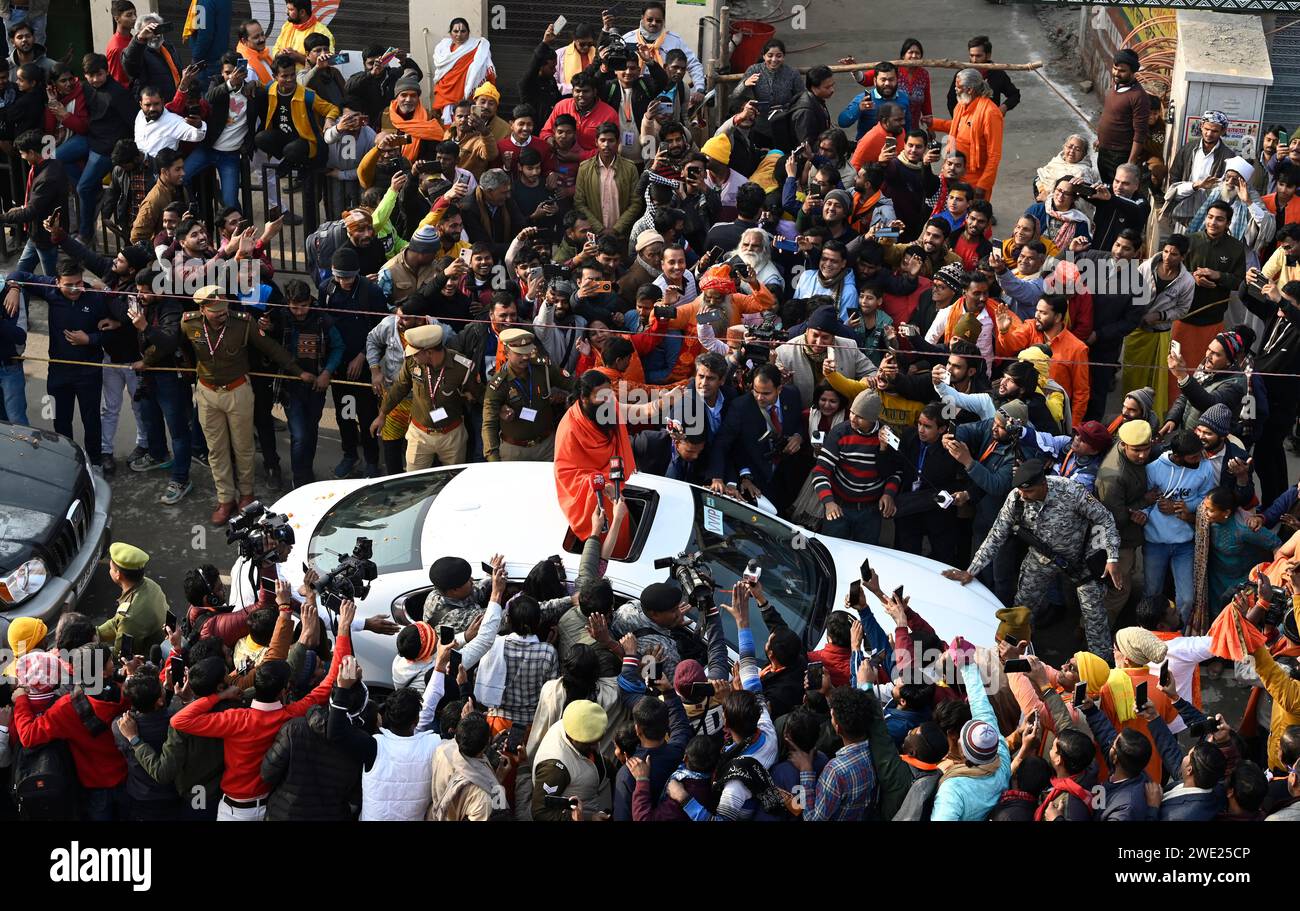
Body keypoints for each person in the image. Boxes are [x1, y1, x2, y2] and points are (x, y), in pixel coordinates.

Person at [170, 595, 352, 821]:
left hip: (234, 812)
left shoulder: (236, 719)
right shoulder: (289, 715)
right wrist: (343, 629)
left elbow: (180, 721)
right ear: (284, 691)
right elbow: (330, 682)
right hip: (271, 808)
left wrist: (218, 697)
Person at [946, 459, 1122, 656]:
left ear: (1043, 485)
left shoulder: (1070, 491)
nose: (1023, 495)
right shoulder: (1016, 499)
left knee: (1095, 616)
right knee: (1021, 611)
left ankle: (1102, 666)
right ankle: (1016, 658)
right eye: (1020, 490)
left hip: (1080, 560)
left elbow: (1105, 518)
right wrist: (972, 570)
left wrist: (1112, 558)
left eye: (1028, 491)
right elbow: (996, 535)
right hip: (1041, 559)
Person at [178, 286, 310, 526]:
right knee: (216, 450)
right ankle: (225, 498)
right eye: (215, 311)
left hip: (238, 390)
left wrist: (298, 371)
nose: (222, 314)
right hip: (207, 393)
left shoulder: (242, 323)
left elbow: (271, 347)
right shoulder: (189, 323)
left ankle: (246, 494)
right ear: (202, 309)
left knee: (243, 446)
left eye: (224, 308)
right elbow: (182, 348)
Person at [11, 643, 128, 820]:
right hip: (128, 775)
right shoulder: (124, 692)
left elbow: (28, 736)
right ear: (104, 672)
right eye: (111, 660)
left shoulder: (66, 707)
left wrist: (21, 700)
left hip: (95, 784)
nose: (114, 663)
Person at [370, 322, 479, 470]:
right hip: (419, 434)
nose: (411, 356)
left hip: (452, 436)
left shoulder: (463, 367)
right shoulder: (411, 363)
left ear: (429, 352)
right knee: (413, 480)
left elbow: (477, 393)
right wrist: (382, 414)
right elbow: (399, 388)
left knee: (453, 479)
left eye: (415, 353)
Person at [709, 362, 805, 514]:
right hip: (756, 479)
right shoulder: (740, 407)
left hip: (788, 475)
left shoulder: (792, 395)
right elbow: (722, 443)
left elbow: (799, 422)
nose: (759, 397)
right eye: (756, 391)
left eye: (766, 393)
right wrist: (717, 477)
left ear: (779, 389)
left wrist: (798, 437)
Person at [1143, 430, 1218, 626]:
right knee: (1152, 593)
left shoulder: (1206, 468)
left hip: (1185, 544)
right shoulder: (1153, 469)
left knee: (1186, 599)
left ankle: (1181, 635)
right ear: (1177, 457)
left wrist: (1185, 507)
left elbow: (1207, 500)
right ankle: (1150, 636)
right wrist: (1151, 503)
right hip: (1155, 542)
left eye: (1200, 453)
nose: (1199, 459)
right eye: (1193, 457)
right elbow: (1145, 500)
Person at [812, 390, 898, 545]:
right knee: (830, 550)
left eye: (860, 416)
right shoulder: (839, 432)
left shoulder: (888, 436)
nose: (853, 419)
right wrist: (829, 503)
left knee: (866, 555)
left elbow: (895, 472)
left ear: (873, 418)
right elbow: (820, 471)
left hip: (871, 512)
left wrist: (888, 494)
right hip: (839, 507)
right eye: (852, 413)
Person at [1094, 419, 1156, 624]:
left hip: (1128, 537)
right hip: (1118, 541)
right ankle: (1096, 630)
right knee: (1119, 589)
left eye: (1146, 449)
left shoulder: (1133, 460)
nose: (1142, 455)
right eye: (1136, 450)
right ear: (1123, 445)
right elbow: (1114, 518)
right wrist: (1143, 503)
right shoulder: (1113, 475)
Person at [483, 328, 572, 462]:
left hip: (547, 446)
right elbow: (489, 423)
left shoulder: (543, 369)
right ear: (506, 353)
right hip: (514, 451)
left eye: (527, 352)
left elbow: (571, 384)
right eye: (519, 353)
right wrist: (493, 458)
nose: (525, 357)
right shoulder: (498, 384)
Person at [931, 68, 1003, 201]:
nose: (955, 90)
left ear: (969, 89)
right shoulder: (961, 106)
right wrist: (933, 123)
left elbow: (994, 155)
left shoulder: (990, 113)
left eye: (958, 87)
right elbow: (957, 127)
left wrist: (983, 185)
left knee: (973, 219)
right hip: (954, 173)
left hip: (975, 179)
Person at [1162, 111, 1233, 232]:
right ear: (1201, 126)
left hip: (1209, 218)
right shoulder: (1188, 149)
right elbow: (1174, 178)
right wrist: (1194, 186)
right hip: (1183, 213)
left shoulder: (1228, 156)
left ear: (1223, 131)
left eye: (1214, 131)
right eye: (1206, 129)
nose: (1209, 134)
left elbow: (1227, 190)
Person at [620, 2, 704, 101]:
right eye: (650, 19)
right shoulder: (628, 39)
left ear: (663, 21)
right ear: (642, 18)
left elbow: (693, 64)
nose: (654, 23)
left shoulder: (674, 41)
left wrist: (700, 89)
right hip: (633, 95)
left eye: (658, 21)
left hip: (667, 94)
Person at [97, 542, 167, 660]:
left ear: (118, 574)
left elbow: (121, 656)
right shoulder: (150, 584)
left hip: (146, 660)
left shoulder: (129, 616)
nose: (110, 570)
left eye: (111, 568)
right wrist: (96, 633)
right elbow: (116, 622)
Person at [575, 122, 643, 239]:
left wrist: (617, 229)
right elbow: (579, 203)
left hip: (622, 235)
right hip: (594, 235)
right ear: (596, 142)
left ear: (617, 142)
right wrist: (599, 229)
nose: (606, 144)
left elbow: (636, 203)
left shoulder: (630, 168)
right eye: (603, 140)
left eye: (611, 140)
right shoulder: (584, 168)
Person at [1095, 50, 1151, 184]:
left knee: (1116, 192)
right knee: (1105, 186)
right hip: (1104, 149)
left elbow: (1140, 133)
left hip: (1119, 155)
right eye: (1115, 68)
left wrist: (1130, 162)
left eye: (1122, 71)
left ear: (1132, 72)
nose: (1116, 73)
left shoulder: (1138, 97)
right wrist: (1100, 139)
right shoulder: (1116, 85)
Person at [431, 17, 496, 123]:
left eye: (463, 31)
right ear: (450, 33)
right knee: (445, 123)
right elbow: (440, 72)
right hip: (445, 91)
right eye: (455, 31)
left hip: (469, 92)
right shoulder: (442, 49)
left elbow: (487, 69)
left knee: (470, 123)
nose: (459, 34)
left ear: (468, 32)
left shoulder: (479, 46)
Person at [944, 36, 1020, 116]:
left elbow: (1015, 95)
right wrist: (957, 120)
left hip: (990, 121)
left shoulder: (998, 74)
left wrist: (1003, 108)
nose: (974, 60)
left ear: (988, 55)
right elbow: (951, 99)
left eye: (978, 56)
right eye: (971, 55)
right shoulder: (962, 74)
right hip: (966, 122)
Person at [122, 14, 182, 100]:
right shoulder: (138, 52)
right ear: (140, 33)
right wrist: (139, 39)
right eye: (149, 31)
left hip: (173, 103)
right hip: (152, 107)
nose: (155, 35)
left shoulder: (169, 48)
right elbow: (130, 65)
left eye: (157, 30)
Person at [271, 0, 333, 71]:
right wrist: (280, 54)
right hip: (286, 80)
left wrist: (298, 57)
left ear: (302, 12)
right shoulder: (287, 26)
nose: (287, 12)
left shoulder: (322, 32)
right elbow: (275, 48)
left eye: (290, 9)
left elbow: (329, 62)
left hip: (311, 81)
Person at [105, 1, 136, 88]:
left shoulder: (132, 38)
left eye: (135, 14)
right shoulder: (117, 47)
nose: (134, 18)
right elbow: (118, 81)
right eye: (129, 15)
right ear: (117, 18)